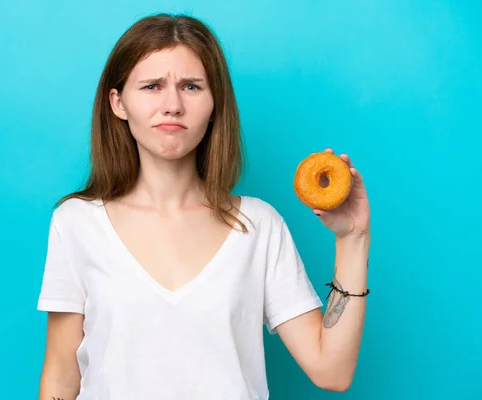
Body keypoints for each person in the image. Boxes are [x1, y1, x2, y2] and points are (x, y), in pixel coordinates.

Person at [36, 12, 371, 400]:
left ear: (214, 104)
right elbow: (61, 377)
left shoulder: (258, 226)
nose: (172, 105)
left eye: (192, 86)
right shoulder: (77, 223)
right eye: (151, 86)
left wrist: (353, 238)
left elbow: (332, 371)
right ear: (118, 102)